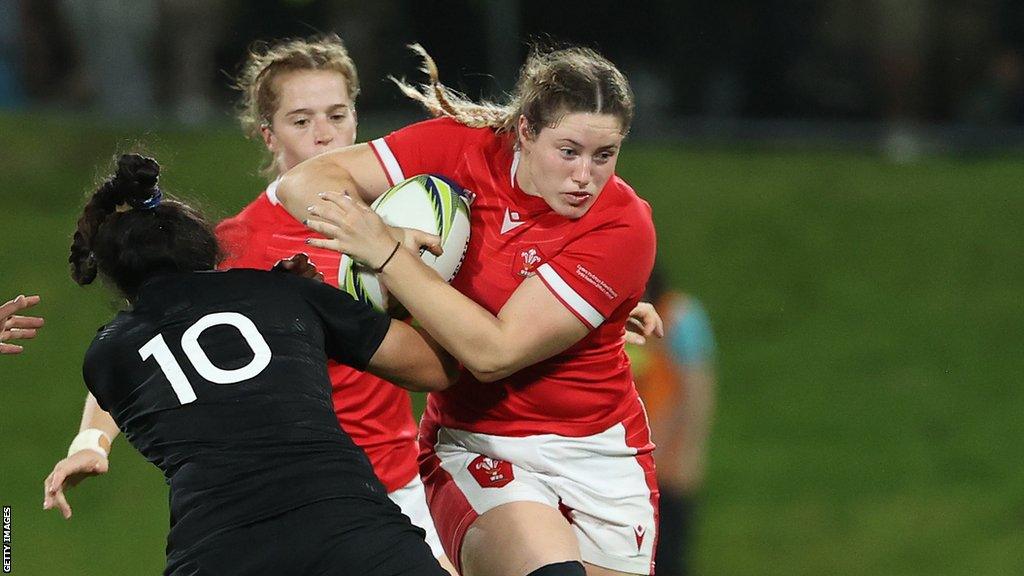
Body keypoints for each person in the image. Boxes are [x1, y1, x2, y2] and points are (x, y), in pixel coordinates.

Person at [49, 35, 457, 573]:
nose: (325, 135)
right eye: (301, 120)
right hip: (285, 490)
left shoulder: (412, 217)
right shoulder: (239, 245)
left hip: (395, 480)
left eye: (337, 114)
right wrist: (92, 439)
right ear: (268, 134)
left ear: (357, 118)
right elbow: (151, 342)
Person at [277, 44, 658, 576]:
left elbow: (494, 350)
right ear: (525, 131)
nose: (585, 177)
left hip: (601, 456)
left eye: (604, 155)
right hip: (482, 444)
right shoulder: (461, 150)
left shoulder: (623, 225)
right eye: (568, 150)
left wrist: (385, 254)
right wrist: (376, 228)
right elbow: (302, 183)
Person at [626, 267, 716, 576]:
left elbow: (697, 390)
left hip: (667, 465)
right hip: (625, 464)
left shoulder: (679, 315)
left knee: (666, 560)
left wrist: (687, 452)